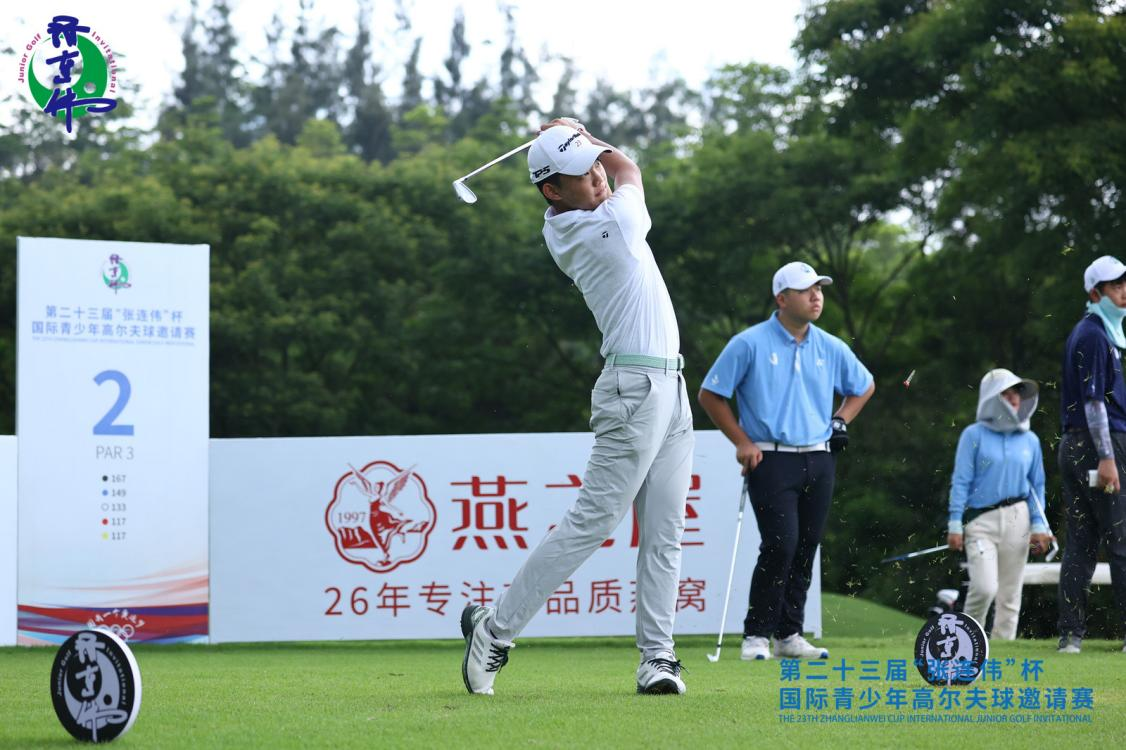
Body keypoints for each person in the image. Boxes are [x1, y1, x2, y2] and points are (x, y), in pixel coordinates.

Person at [460, 119, 694, 695]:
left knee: (665, 529)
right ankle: (495, 632)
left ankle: (658, 658)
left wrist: (578, 142)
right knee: (593, 522)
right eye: (581, 174)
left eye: (593, 166)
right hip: (635, 389)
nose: (597, 177)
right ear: (552, 190)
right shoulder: (611, 225)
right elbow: (628, 168)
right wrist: (590, 135)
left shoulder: (568, 220)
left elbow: (609, 172)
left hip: (671, 386)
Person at [697, 262, 874, 660]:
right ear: (782, 298)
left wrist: (841, 419)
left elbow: (864, 386)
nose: (816, 296)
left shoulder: (830, 346)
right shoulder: (749, 343)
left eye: (819, 289)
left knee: (807, 545)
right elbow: (710, 394)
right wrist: (742, 442)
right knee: (781, 544)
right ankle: (756, 635)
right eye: (806, 290)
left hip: (820, 457)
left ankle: (789, 635)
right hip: (770, 458)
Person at [946, 369, 1053, 640]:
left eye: (1016, 392)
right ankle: (967, 642)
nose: (1014, 398)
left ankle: (1003, 650)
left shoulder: (1030, 440)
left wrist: (1039, 525)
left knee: (1010, 594)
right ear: (991, 398)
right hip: (980, 521)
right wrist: (955, 523)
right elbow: (961, 481)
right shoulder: (973, 435)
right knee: (984, 588)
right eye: (1006, 393)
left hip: (1019, 518)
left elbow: (1037, 486)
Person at [1057, 255, 1126, 654]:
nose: (1124, 291)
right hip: (1099, 446)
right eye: (1116, 285)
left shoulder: (1094, 332)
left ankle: (1071, 637)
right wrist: (1108, 458)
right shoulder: (1094, 336)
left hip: (1077, 444)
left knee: (1081, 542)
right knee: (1120, 539)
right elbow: (1094, 402)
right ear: (1095, 293)